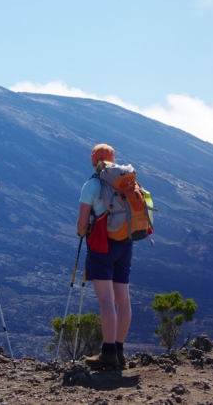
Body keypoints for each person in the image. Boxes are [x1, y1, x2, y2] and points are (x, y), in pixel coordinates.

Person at [77, 143, 133, 369]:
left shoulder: (92, 184)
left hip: (102, 245)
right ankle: (119, 351)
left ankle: (108, 353)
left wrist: (83, 231)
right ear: (114, 159)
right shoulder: (126, 181)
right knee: (123, 299)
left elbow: (82, 224)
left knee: (106, 301)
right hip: (126, 243)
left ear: (93, 161)